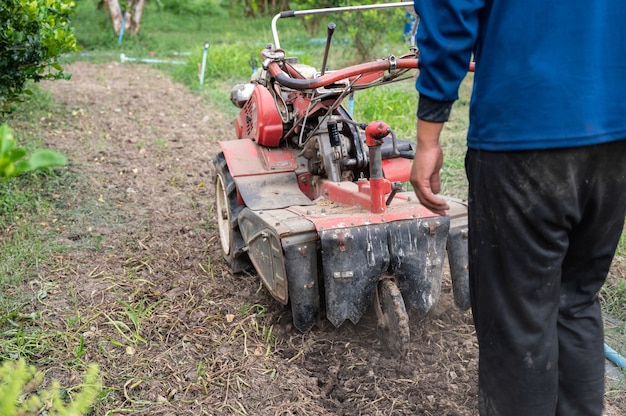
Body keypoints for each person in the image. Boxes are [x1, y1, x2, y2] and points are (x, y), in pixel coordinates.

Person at [409, 1, 626, 415]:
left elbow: (449, 14)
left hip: (525, 130)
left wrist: (428, 136)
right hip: (614, 132)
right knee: (576, 300)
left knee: (518, 322)